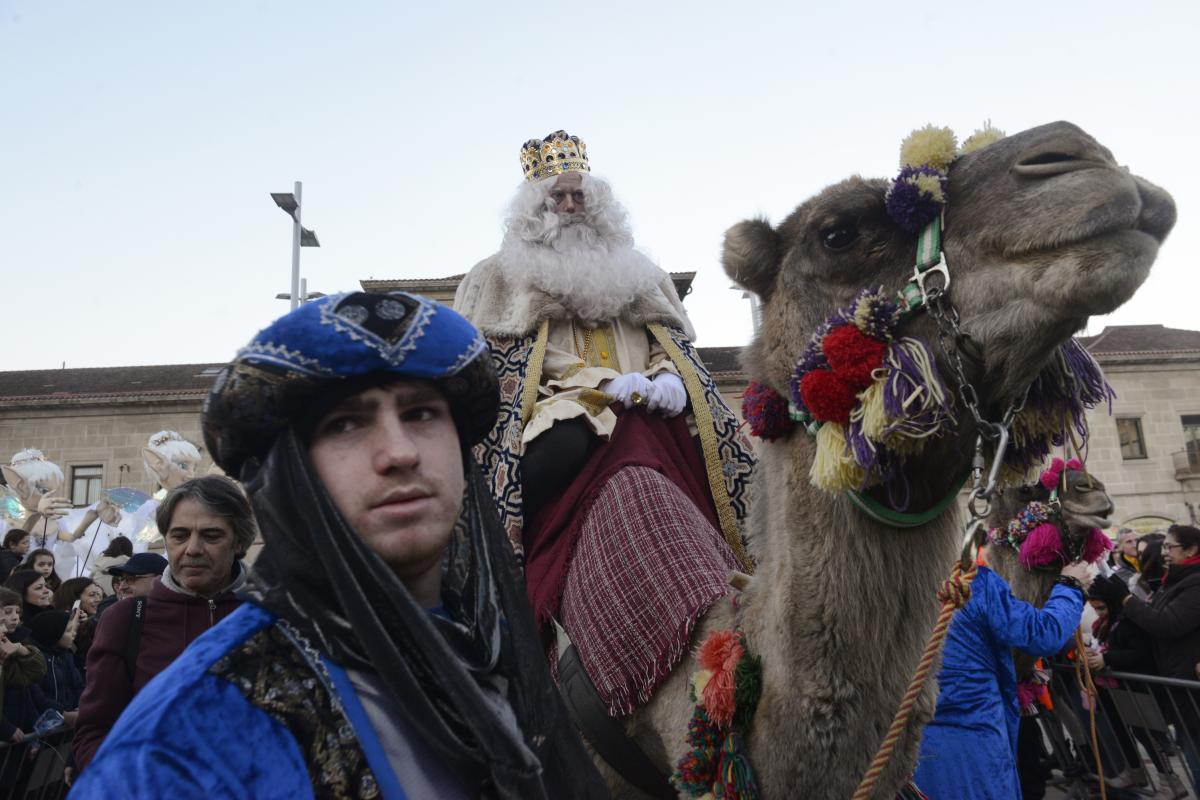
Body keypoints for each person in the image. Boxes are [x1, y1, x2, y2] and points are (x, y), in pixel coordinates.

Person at [71, 291, 602, 798]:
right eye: (347, 424)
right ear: (291, 477)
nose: (399, 453)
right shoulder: (191, 732)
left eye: (421, 414)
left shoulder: (487, 644)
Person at [455, 130, 754, 717]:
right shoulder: (495, 278)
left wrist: (669, 378)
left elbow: (671, 344)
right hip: (554, 419)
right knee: (573, 440)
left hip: (653, 412)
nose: (570, 208)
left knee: (721, 456)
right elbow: (498, 369)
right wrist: (599, 385)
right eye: (557, 199)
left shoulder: (638, 273)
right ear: (535, 208)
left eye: (579, 197)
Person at [70, 478, 249, 772]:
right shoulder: (126, 619)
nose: (193, 549)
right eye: (179, 535)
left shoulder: (274, 615)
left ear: (239, 541)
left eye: (211, 535)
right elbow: (94, 732)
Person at [913, 559, 1091, 798]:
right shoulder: (973, 582)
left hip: (907, 748)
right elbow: (1043, 633)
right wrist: (1070, 585)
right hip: (975, 749)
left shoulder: (875, 587)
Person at [1092, 523, 1200, 790]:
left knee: (1196, 758)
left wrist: (1127, 600)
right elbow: (1152, 618)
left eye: (1170, 546)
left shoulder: (1195, 582)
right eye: (1163, 546)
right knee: (1192, 753)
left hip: (1191, 686)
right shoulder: (1172, 580)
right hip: (1178, 686)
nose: (1164, 552)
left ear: (1191, 550)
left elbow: (1167, 624)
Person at [0, 586, 46, 745]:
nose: (15, 618)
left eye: (17, 612)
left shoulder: (9, 646)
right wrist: (4, 728)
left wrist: (20, 649)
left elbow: (35, 673)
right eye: (7, 612)